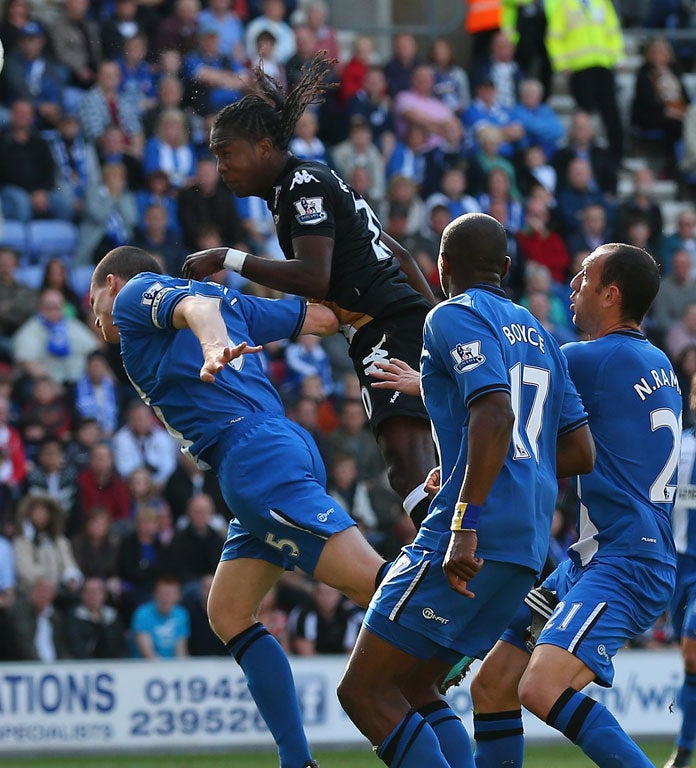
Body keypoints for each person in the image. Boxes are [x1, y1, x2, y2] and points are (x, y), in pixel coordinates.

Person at [91, 245, 387, 768]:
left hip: (252, 456)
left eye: (93, 298)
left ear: (112, 283)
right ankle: (297, 760)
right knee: (227, 612)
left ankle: (469, 631)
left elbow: (195, 313)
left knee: (373, 584)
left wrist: (212, 346)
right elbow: (320, 319)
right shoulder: (228, 298)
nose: (94, 314)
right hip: (276, 445)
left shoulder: (135, 296)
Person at [338, 213, 594, 766]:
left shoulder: (450, 315)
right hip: (526, 549)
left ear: (442, 266)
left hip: (469, 539)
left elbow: (495, 413)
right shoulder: (543, 334)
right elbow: (579, 451)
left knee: (362, 692)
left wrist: (464, 520)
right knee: (413, 686)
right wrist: (466, 461)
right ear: (505, 268)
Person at [181, 54, 440, 528]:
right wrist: (435, 318)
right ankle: (459, 546)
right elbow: (395, 251)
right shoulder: (304, 183)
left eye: (227, 154)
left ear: (263, 148)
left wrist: (227, 258)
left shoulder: (302, 185)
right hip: (393, 323)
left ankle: (454, 555)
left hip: (387, 326)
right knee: (418, 463)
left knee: (408, 463)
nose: (221, 168)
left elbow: (314, 277)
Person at [467, 243, 679, 768]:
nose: (574, 284)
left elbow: (506, 383)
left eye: (584, 276)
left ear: (612, 295)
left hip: (626, 560)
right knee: (492, 685)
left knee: (540, 687)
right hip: (596, 559)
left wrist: (429, 382)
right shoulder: (657, 361)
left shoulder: (596, 359)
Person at [669, 373, 696, 768]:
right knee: (689, 661)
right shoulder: (678, 445)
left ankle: (684, 750)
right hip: (676, 566)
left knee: (692, 653)